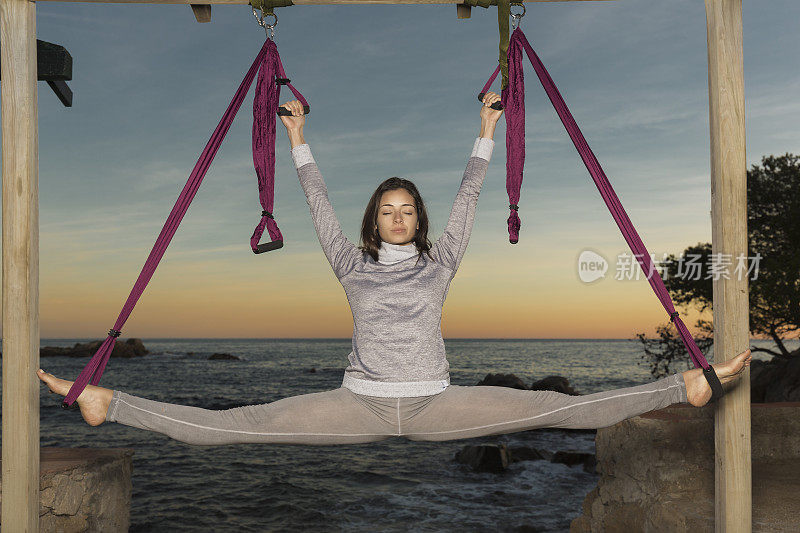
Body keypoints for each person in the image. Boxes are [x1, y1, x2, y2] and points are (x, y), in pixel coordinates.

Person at [37, 92, 752, 445]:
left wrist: (485, 134)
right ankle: (111, 404)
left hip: (440, 402)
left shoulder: (438, 265)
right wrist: (299, 143)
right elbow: (317, 207)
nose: (400, 216)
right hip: (358, 403)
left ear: (419, 218)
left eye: (408, 207)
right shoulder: (351, 264)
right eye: (389, 209)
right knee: (245, 424)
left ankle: (684, 383)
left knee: (556, 409)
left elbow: (470, 203)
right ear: (374, 221)